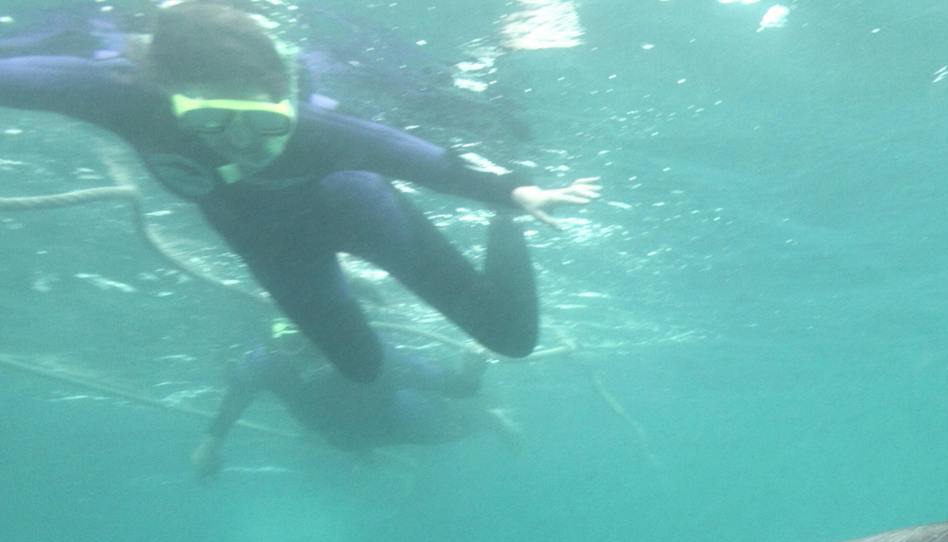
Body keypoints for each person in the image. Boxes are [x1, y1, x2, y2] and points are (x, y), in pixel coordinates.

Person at [0, 2, 597, 382]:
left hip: (362, 213)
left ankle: (505, 234)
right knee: (361, 369)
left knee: (511, 340)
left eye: (265, 124)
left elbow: (422, 160)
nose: (244, 144)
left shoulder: (319, 131)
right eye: (214, 125)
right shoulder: (124, 95)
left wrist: (515, 196)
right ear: (167, 97)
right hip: (271, 248)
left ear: (283, 96)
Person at [191, 320, 522, 477]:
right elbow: (238, 393)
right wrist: (211, 442)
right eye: (294, 343)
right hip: (342, 434)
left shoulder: (370, 352)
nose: (310, 356)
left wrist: (471, 369)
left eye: (317, 343)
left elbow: (450, 384)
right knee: (342, 441)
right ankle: (363, 450)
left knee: (448, 430)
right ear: (278, 345)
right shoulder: (266, 361)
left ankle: (490, 419)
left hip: (399, 419)